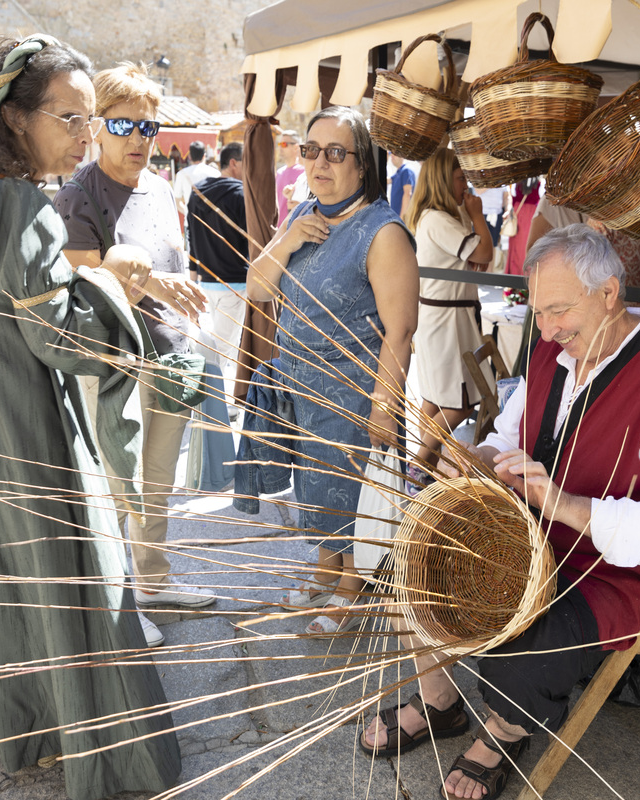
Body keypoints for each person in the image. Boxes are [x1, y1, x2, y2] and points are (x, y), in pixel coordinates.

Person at [0, 35, 203, 798]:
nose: (85, 133)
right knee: (50, 559)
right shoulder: (15, 202)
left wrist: (102, 272)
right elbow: (63, 336)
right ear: (13, 119)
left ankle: (3, 701)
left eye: (87, 118)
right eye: (69, 117)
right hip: (8, 409)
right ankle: (82, 733)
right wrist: (122, 287)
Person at [360, 224, 640, 800]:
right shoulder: (553, 350)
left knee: (520, 662)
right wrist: (474, 462)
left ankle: (506, 730)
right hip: (531, 540)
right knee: (411, 566)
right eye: (536, 312)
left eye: (559, 310)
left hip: (609, 573)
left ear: (609, 293)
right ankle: (440, 703)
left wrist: (564, 505)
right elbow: (509, 435)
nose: (546, 330)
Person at [53, 61, 216, 648]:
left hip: (173, 349)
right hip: (117, 360)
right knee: (118, 484)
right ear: (96, 127)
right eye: (123, 126)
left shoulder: (162, 187)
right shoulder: (78, 194)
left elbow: (174, 262)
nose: (138, 140)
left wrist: (186, 314)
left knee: (158, 479)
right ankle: (119, 602)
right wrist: (146, 285)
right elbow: (79, 278)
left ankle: (153, 580)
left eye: (148, 128)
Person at [245, 106, 418, 635]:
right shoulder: (303, 216)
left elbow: (401, 330)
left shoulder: (382, 232)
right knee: (316, 487)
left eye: (335, 152)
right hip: (304, 390)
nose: (320, 162)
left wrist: (384, 409)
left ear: (361, 165)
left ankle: (352, 589)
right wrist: (287, 241)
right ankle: (326, 568)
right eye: (311, 150)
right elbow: (256, 288)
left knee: (349, 490)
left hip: (354, 392)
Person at [404, 148, 493, 483]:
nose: (465, 184)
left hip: (446, 318)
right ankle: (418, 466)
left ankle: (422, 468)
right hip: (446, 322)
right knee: (459, 402)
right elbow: (483, 252)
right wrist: (479, 215)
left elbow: (481, 261)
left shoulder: (441, 217)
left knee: (435, 400)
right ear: (443, 179)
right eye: (460, 178)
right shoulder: (438, 219)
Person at [188, 140, 248, 398]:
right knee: (224, 348)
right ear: (234, 163)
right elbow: (252, 243)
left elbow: (190, 239)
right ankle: (214, 405)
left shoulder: (197, 193)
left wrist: (192, 278)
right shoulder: (241, 195)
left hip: (206, 281)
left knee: (220, 344)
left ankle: (214, 402)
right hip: (235, 282)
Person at [503, 177, 541, 275]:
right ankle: (526, 274)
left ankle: (514, 273)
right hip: (531, 215)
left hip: (517, 213)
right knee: (526, 245)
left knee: (515, 247)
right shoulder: (539, 183)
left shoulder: (517, 183)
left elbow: (512, 197)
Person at [172, 140, 218, 217]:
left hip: (190, 221)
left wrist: (188, 213)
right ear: (204, 156)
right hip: (211, 221)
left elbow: (177, 201)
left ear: (189, 156)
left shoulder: (181, 174)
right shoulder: (215, 173)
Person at [274, 129, 304, 226]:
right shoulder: (279, 172)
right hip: (278, 228)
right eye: (279, 144)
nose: (280, 148)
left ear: (296, 147)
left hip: (294, 227)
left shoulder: (304, 173)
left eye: (284, 144)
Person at [388, 152, 416, 220]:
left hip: (402, 219)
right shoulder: (399, 172)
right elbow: (387, 180)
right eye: (391, 153)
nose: (392, 155)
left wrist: (402, 218)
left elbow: (407, 194)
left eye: (395, 153)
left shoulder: (406, 170)